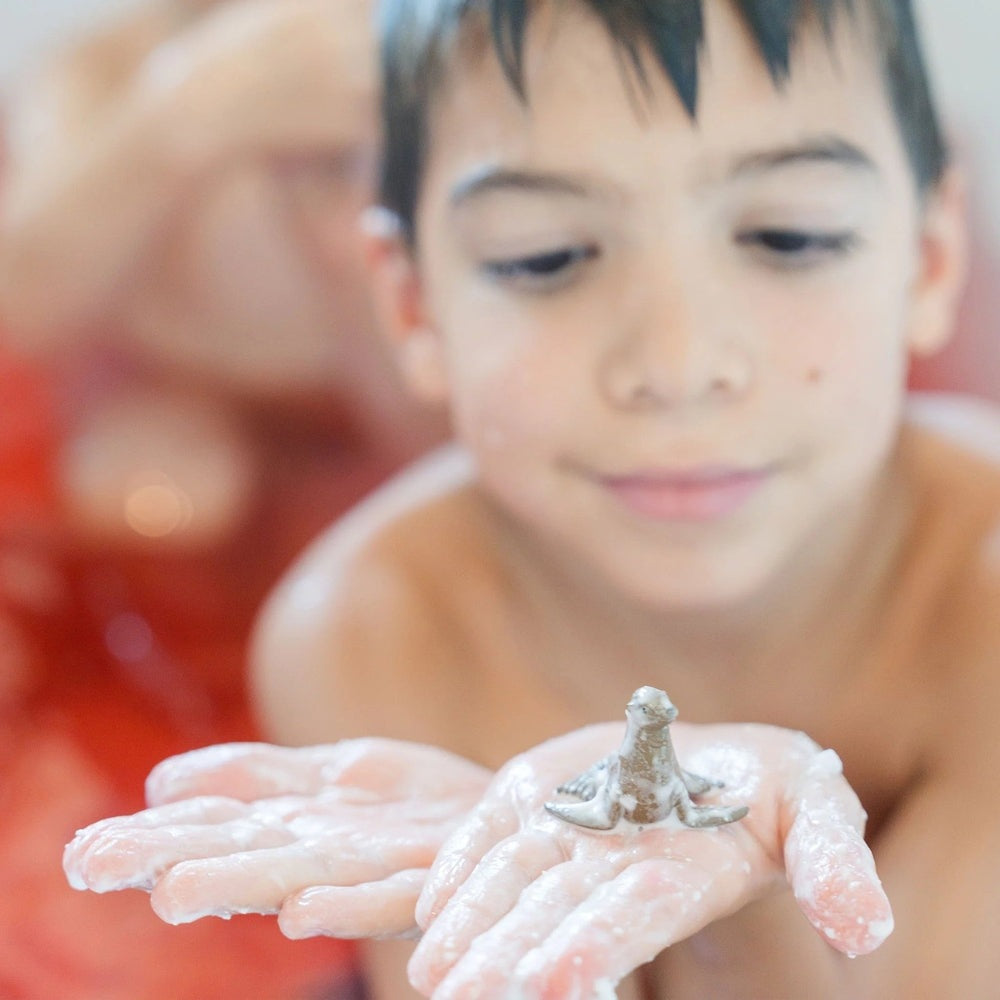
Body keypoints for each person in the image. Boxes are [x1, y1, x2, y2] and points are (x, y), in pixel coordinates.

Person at [64, 0, 1000, 996]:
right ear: (413, 305)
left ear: (932, 256)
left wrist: (754, 879)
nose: (676, 365)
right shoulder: (376, 629)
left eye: (788, 236)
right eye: (544, 257)